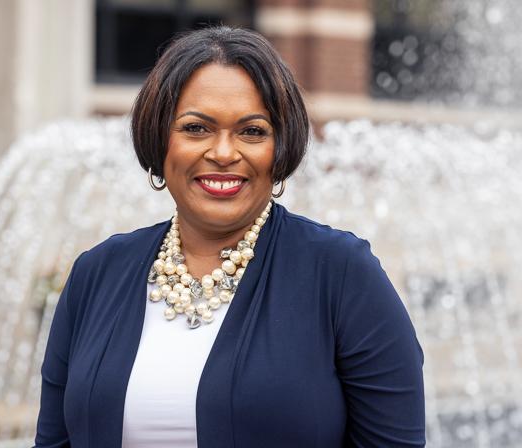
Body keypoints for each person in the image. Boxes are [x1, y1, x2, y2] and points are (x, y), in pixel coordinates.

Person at [34, 26, 425, 448]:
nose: (223, 153)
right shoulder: (97, 273)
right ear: (159, 141)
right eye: (196, 128)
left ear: (280, 148)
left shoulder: (341, 272)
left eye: (252, 131)